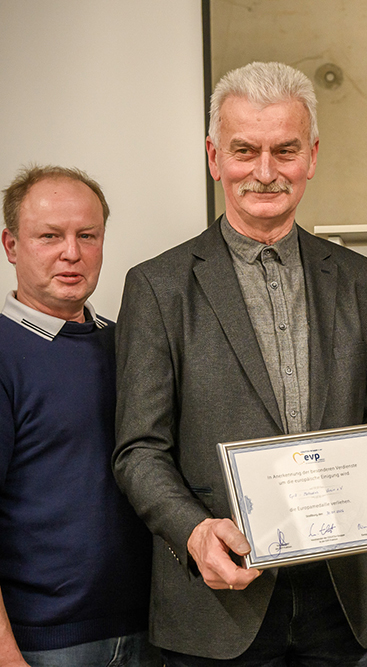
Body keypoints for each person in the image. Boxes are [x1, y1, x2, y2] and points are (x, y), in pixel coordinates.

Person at [113, 61, 367, 666]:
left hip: (343, 602)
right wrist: (194, 532)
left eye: (285, 150)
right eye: (244, 150)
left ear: (312, 156)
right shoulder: (158, 287)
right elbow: (139, 449)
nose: (265, 171)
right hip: (218, 600)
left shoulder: (363, 282)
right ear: (214, 157)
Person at [0, 166, 159, 666]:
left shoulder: (128, 343)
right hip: (45, 642)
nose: (71, 253)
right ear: (10, 245)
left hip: (152, 630)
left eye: (87, 235)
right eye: (50, 236)